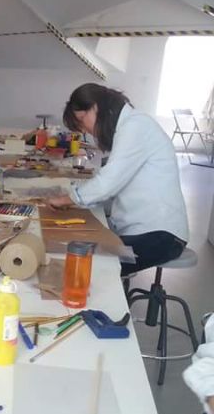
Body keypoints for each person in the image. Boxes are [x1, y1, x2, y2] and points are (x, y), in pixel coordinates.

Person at [46, 83, 188, 276]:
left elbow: (108, 182)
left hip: (161, 236)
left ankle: (111, 306)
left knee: (84, 264)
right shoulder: (129, 127)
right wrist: (77, 196)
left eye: (81, 120)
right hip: (144, 229)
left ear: (95, 107)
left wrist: (67, 199)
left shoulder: (136, 126)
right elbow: (113, 182)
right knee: (79, 252)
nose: (85, 130)